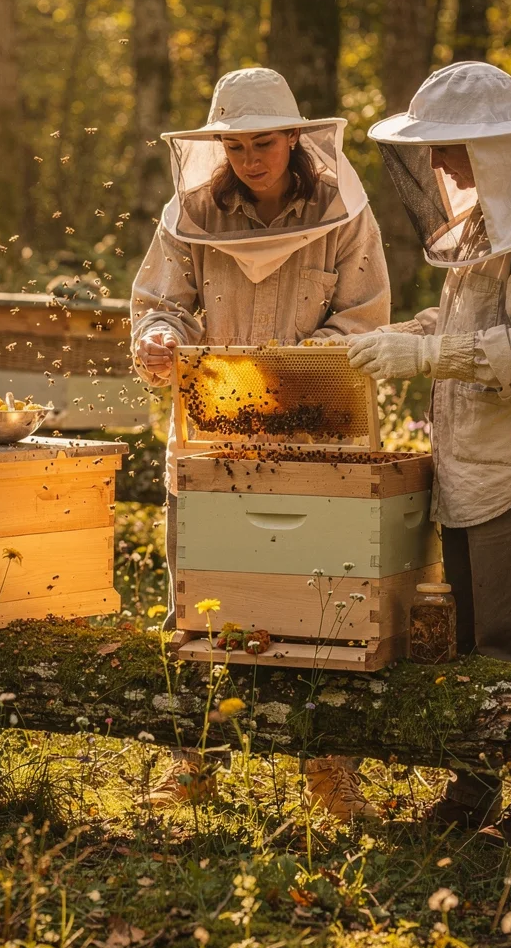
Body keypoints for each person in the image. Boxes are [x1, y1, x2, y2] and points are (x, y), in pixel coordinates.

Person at [347, 61, 511, 832]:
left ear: (494, 147)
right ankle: (474, 799)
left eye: (450, 147)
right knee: (468, 646)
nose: (437, 163)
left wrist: (426, 355)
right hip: (474, 461)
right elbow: (471, 323)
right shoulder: (495, 218)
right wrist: (414, 332)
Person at [129, 66, 390, 819]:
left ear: (295, 140)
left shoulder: (343, 212)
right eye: (236, 146)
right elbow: (161, 303)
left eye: (264, 143)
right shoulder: (191, 212)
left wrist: (292, 374)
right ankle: (192, 763)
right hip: (213, 431)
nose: (250, 159)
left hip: (319, 430)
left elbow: (365, 316)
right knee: (202, 598)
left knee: (327, 604)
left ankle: (330, 769)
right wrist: (157, 338)